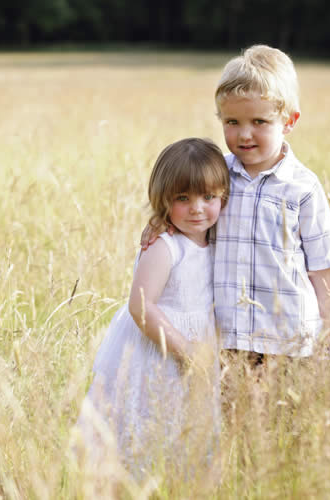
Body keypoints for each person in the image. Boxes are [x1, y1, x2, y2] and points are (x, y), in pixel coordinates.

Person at [142, 45, 330, 362]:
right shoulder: (216, 177)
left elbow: (322, 261)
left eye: (259, 121)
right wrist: (162, 223)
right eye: (232, 122)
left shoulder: (302, 188)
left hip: (288, 336)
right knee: (233, 410)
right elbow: (192, 219)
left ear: (289, 121)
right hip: (227, 334)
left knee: (285, 411)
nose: (244, 134)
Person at [75, 138, 230, 484]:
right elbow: (141, 306)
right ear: (163, 201)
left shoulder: (215, 238)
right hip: (158, 350)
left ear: (223, 197)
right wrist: (185, 350)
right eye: (182, 199)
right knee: (147, 425)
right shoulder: (165, 246)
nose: (197, 209)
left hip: (198, 347)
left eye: (208, 198)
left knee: (188, 429)